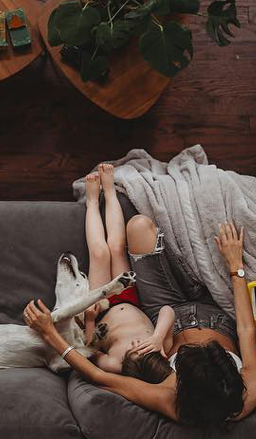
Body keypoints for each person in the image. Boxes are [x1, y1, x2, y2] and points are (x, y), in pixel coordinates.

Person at [24, 220, 256, 425]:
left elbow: (98, 376)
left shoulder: (169, 399)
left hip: (162, 308)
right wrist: (236, 267)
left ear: (182, 386)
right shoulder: (251, 388)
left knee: (138, 226)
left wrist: (49, 334)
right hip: (217, 310)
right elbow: (245, 330)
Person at [81, 164, 174, 383]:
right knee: (116, 246)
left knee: (100, 253)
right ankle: (110, 191)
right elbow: (168, 310)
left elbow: (89, 351)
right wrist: (158, 337)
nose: (135, 345)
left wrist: (90, 320)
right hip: (130, 298)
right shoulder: (161, 345)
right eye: (142, 347)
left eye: (131, 352)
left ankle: (92, 203)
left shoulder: (114, 364)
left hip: (102, 308)